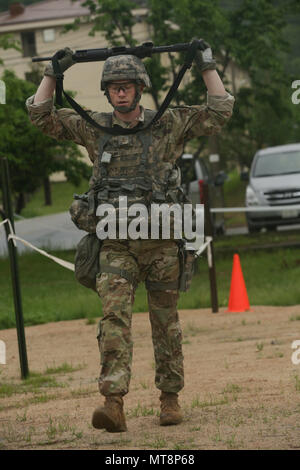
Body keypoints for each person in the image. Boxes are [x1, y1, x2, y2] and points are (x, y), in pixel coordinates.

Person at [26, 41, 234, 433]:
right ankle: (113, 402)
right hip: (116, 245)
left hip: (161, 243)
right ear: (107, 92)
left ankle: (170, 398)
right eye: (114, 86)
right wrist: (52, 73)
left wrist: (206, 60)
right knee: (114, 320)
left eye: (127, 85)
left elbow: (220, 110)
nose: (120, 92)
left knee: (166, 323)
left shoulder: (168, 123)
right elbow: (40, 115)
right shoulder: (95, 128)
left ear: (140, 88)